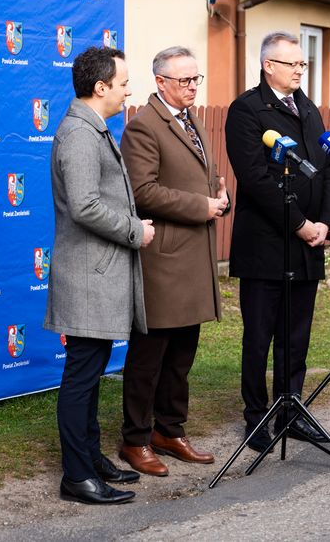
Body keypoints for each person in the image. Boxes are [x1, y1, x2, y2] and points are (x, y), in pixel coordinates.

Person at [44, 46, 155, 504]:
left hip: (98, 275)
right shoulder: (80, 135)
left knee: (89, 375)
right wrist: (135, 230)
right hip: (88, 277)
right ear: (101, 87)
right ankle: (77, 477)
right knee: (81, 378)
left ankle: (89, 460)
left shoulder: (94, 129)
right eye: (124, 83)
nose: (130, 90)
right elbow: (85, 205)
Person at [225, 30, 330, 452]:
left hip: (306, 246)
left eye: (303, 64)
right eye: (293, 64)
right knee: (259, 337)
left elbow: (325, 169)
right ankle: (257, 418)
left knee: (296, 337)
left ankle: (290, 413)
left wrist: (326, 222)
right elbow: (254, 179)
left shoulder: (308, 109)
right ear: (268, 65)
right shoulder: (247, 110)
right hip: (266, 246)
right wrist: (299, 224)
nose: (300, 70)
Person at [119, 46, 229, 476]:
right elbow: (142, 192)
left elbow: (204, 176)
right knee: (150, 357)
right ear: (160, 82)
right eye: (184, 80)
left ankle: (170, 429)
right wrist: (199, 205)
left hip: (193, 257)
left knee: (183, 354)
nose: (192, 87)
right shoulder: (144, 126)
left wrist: (220, 197)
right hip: (163, 260)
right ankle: (136, 439)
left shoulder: (189, 117)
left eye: (196, 79)